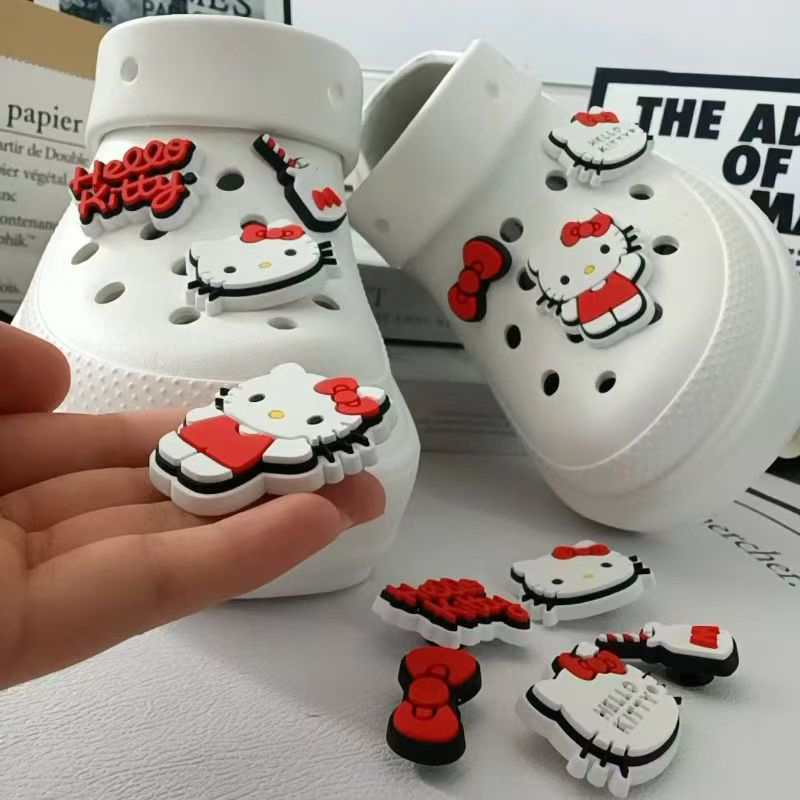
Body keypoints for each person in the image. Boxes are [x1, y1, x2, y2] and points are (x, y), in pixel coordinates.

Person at [0, 324, 385, 689]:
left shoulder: (291, 451)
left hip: (239, 461)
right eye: (260, 400)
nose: (275, 415)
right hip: (203, 448)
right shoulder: (214, 423)